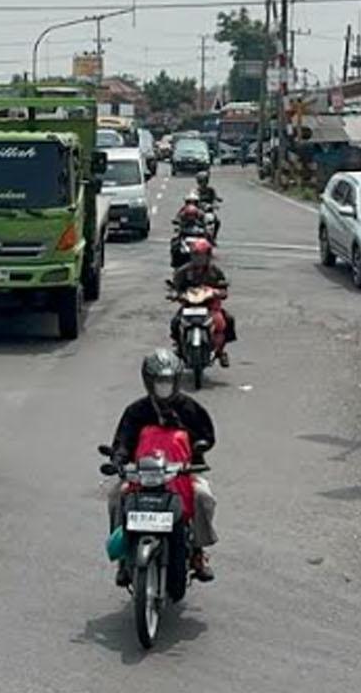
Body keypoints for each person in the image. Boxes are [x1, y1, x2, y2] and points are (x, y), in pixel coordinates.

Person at [112, 349, 219, 580]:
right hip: (142, 475)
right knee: (116, 497)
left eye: (168, 382)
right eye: (159, 382)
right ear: (149, 382)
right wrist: (119, 459)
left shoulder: (189, 408)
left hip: (182, 473)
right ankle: (123, 557)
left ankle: (198, 552)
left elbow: (207, 437)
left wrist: (195, 443)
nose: (164, 387)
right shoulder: (136, 411)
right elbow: (122, 441)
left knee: (203, 497)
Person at [167, 237, 235, 366]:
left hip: (210, 305)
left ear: (208, 256)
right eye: (195, 255)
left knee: (228, 320)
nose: (198, 259)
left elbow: (223, 287)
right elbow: (175, 286)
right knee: (175, 322)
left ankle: (220, 351)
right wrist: (174, 294)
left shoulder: (215, 271)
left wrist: (220, 292)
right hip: (189, 305)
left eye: (201, 256)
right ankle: (180, 348)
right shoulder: (184, 271)